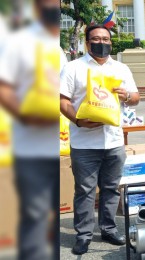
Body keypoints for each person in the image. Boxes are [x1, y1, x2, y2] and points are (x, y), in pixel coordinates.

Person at [60, 24, 140, 255]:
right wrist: (78, 120)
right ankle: (83, 235)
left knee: (111, 188)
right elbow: (63, 100)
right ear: (87, 43)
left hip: (114, 141)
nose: (101, 43)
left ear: (111, 43)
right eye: (96, 39)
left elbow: (134, 96)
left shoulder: (121, 68)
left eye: (105, 39)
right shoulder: (73, 68)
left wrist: (129, 96)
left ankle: (108, 228)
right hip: (84, 142)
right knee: (84, 190)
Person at [0, 0, 61, 259]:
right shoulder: (19, 43)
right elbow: (4, 87)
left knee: (53, 218)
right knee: (35, 215)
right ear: (36, 8)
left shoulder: (59, 49)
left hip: (58, 145)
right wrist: (27, 116)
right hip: (30, 146)